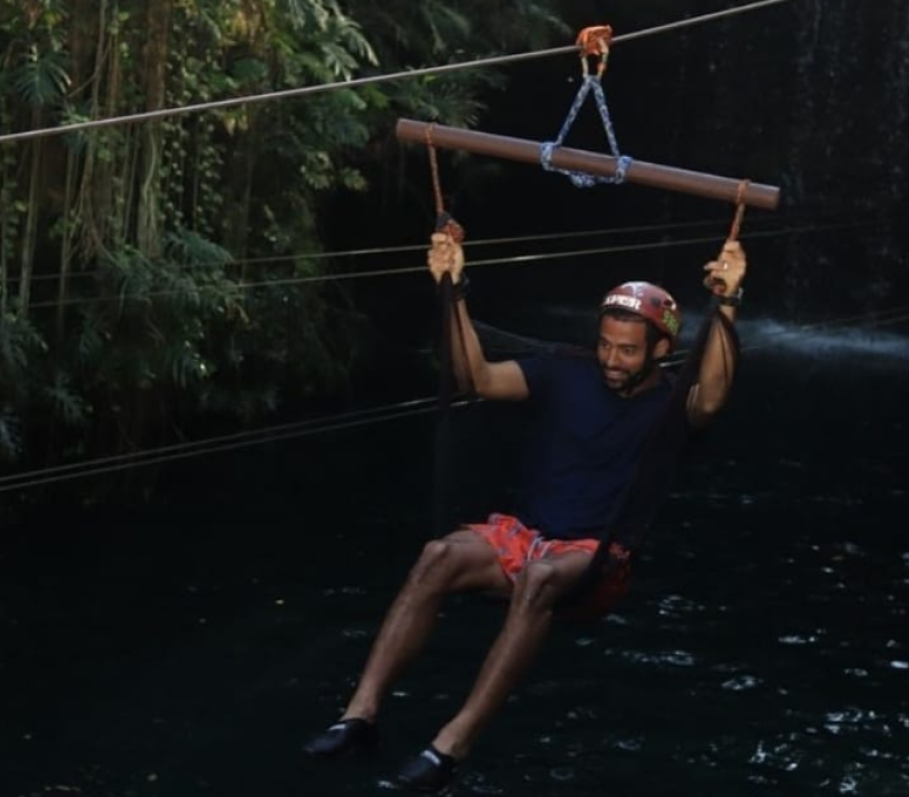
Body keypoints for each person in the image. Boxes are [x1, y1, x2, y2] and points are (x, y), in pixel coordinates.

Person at [303, 232, 747, 792]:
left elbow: (712, 398)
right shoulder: (564, 370)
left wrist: (727, 300)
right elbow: (479, 377)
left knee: (537, 578)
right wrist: (453, 288)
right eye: (606, 344)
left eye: (628, 350)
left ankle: (452, 744)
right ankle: (359, 716)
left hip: (594, 559)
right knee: (437, 555)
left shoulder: (671, 405)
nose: (611, 359)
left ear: (660, 349)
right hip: (526, 536)